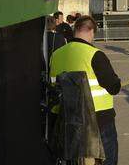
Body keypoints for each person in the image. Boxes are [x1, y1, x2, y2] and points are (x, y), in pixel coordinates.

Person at [49, 16, 121, 165]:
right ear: (91, 31)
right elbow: (114, 87)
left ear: (75, 29)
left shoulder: (56, 55)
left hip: (65, 120)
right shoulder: (95, 54)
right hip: (98, 120)